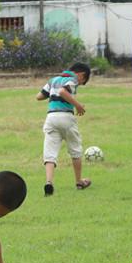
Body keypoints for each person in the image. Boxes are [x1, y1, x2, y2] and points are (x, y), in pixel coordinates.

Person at [37, 63, 92, 196]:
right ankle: (79, 182)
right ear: (81, 75)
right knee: (75, 150)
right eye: (82, 82)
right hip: (66, 116)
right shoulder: (72, 79)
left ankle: (49, 182)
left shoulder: (53, 80)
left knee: (50, 153)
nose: (79, 84)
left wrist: (51, 93)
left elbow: (39, 96)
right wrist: (78, 105)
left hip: (51, 117)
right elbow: (63, 91)